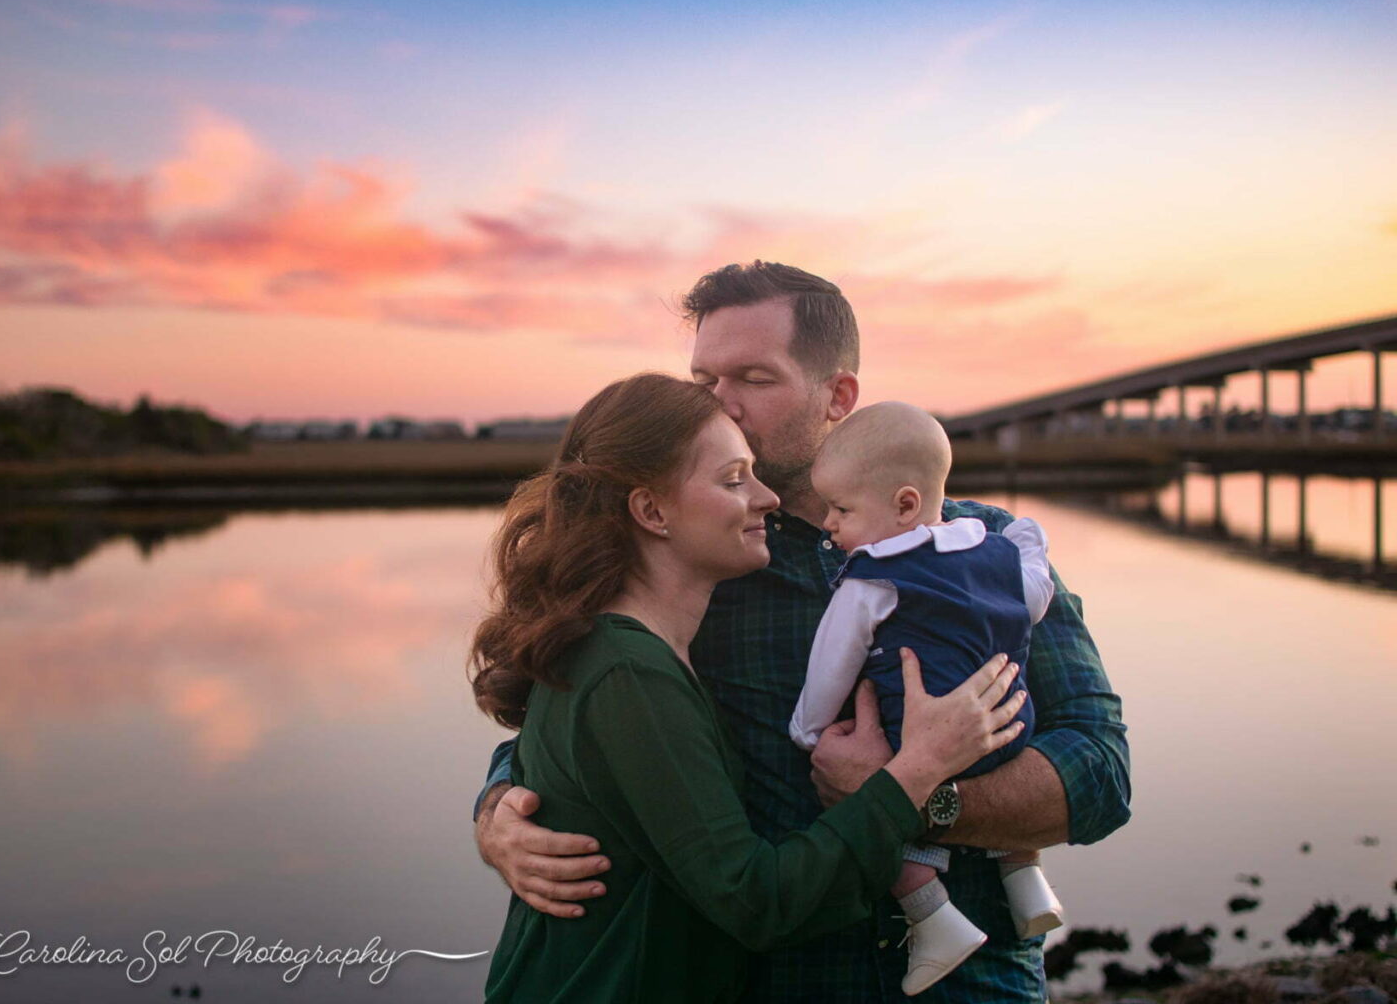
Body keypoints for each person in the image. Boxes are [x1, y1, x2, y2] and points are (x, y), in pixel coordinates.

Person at [475, 261, 1132, 1003]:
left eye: (753, 378)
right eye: (703, 382)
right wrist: (502, 809)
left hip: (978, 986)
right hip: (781, 981)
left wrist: (925, 799)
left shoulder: (986, 549)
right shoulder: (699, 566)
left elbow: (1101, 772)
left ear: (838, 397)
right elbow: (586, 720)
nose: (720, 405)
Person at [788, 401, 1063, 995]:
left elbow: (831, 665)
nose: (831, 524)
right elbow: (1036, 596)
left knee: (877, 805)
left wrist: (809, 733)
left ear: (904, 506)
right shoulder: (993, 550)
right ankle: (1026, 880)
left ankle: (932, 918)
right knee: (1004, 773)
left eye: (841, 510)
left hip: (909, 737)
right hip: (1009, 728)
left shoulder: (872, 578)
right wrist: (1028, 538)